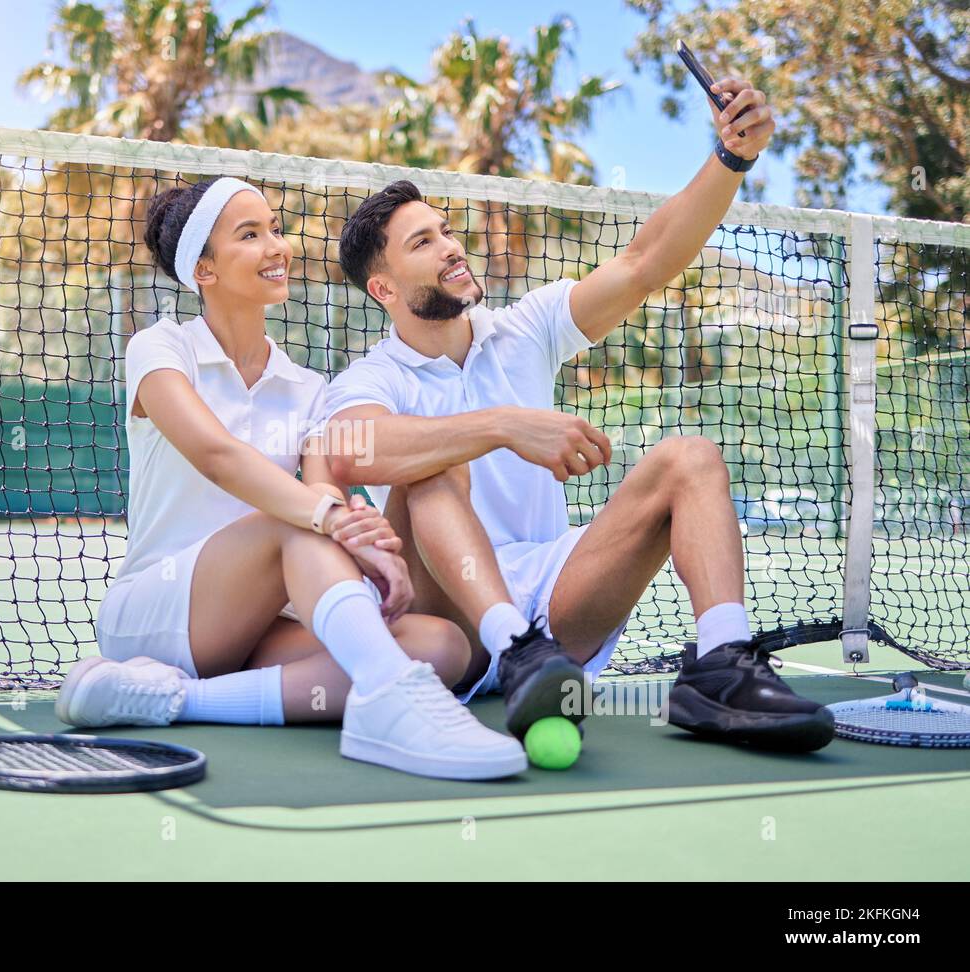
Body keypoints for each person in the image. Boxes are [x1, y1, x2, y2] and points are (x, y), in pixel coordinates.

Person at [324, 78, 835, 752]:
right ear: (383, 288)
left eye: (446, 231)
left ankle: (720, 666)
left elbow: (644, 263)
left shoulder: (525, 328)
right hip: (448, 618)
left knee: (691, 460)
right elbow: (352, 449)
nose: (451, 246)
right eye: (422, 243)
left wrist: (733, 157)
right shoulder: (372, 375)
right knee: (431, 468)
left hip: (558, 599)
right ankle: (511, 644)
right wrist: (503, 424)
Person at [55, 176, 527, 779]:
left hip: (261, 624)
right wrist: (325, 515)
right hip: (158, 612)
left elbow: (324, 489)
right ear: (204, 270)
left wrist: (361, 540)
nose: (277, 246)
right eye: (249, 235)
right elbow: (216, 455)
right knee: (295, 526)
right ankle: (388, 703)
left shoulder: (308, 387)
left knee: (442, 646)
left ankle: (171, 699)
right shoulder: (161, 346)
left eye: (275, 229)